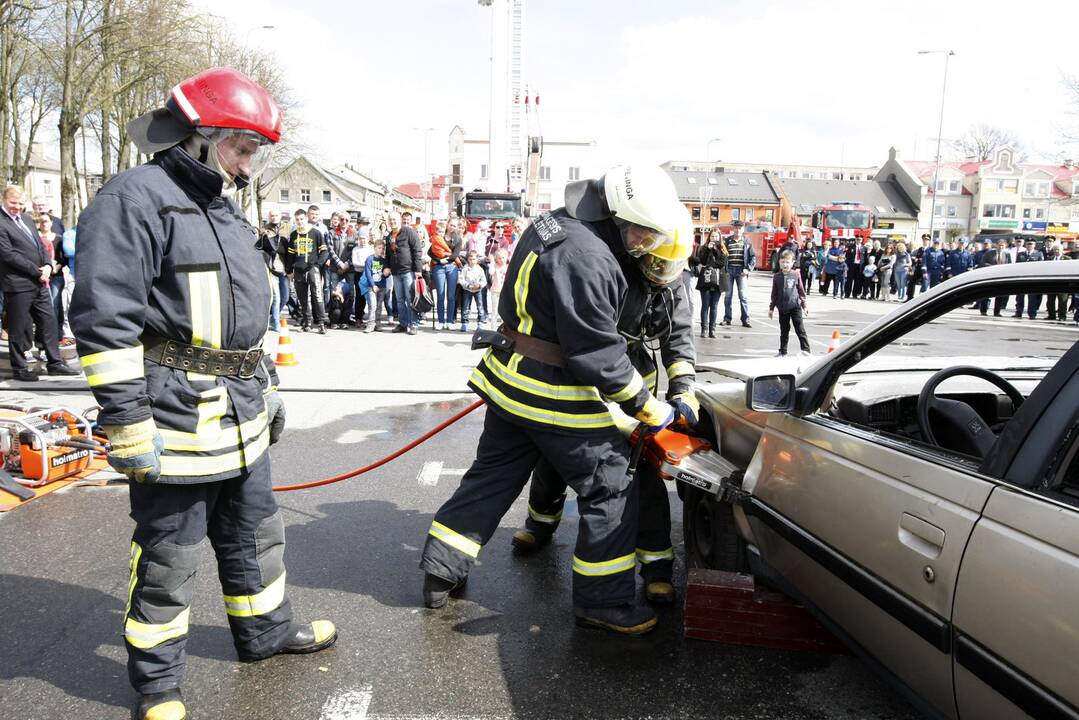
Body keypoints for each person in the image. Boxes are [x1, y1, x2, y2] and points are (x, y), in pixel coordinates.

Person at [69, 67, 335, 720]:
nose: (248, 165)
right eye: (241, 148)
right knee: (170, 558)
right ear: (197, 137)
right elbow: (105, 320)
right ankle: (158, 684)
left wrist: (264, 387)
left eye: (253, 152)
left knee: (256, 535)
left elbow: (242, 319)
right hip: (174, 417)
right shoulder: (132, 200)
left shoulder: (222, 209)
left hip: (240, 415)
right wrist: (126, 421)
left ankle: (267, 633)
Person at [419, 165, 689, 636]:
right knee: (609, 486)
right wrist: (649, 407)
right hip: (556, 393)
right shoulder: (589, 255)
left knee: (492, 477)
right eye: (642, 235)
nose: (643, 245)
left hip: (511, 385)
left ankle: (441, 572)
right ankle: (602, 601)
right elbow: (597, 355)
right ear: (621, 214)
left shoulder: (555, 222)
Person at [509, 220, 696, 607]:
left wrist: (683, 392)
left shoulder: (674, 281)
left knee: (642, 475)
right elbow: (591, 340)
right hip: (588, 382)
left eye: (670, 269)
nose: (661, 276)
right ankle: (539, 525)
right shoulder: (612, 266)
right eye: (656, 266)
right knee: (556, 458)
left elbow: (678, 340)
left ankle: (657, 567)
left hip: (636, 392)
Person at [0, 186, 78, 381]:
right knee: (19, 327)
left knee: (49, 321)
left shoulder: (26, 219)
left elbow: (39, 245)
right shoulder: (1, 222)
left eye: (20, 203)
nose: (17, 207)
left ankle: (54, 362)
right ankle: (20, 367)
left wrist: (47, 265)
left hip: (39, 282)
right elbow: (8, 254)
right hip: (18, 283)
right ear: (3, 199)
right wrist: (37, 271)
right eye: (13, 203)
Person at [286, 208, 328, 333]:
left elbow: (324, 252)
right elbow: (290, 255)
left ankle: (321, 323)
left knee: (317, 296)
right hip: (298, 270)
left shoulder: (316, 232)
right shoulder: (293, 235)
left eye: (302, 219)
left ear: (306, 219)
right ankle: (307, 322)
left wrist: (317, 265)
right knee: (302, 298)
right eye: (297, 219)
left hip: (312, 270)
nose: (300, 222)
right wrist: (289, 270)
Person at [384, 211, 423, 335]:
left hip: (408, 271)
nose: (392, 222)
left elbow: (417, 250)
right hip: (395, 272)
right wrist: (387, 267)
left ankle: (414, 324)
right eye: (390, 220)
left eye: (394, 219)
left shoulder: (409, 232)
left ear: (400, 220)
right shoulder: (389, 236)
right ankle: (403, 323)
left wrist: (418, 270)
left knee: (410, 299)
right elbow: (388, 254)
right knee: (400, 299)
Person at [769, 250, 810, 356]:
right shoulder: (777, 276)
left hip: (795, 307)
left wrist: (804, 305)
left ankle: (806, 350)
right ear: (779, 262)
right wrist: (771, 308)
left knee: (800, 329)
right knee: (784, 330)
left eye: (787, 262)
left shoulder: (796, 274)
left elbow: (801, 290)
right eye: (783, 262)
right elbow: (774, 294)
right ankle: (783, 351)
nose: (785, 264)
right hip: (782, 308)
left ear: (792, 263)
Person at [35, 212, 69, 341]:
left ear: (51, 223)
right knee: (43, 306)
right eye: (41, 221)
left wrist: (56, 267)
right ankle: (44, 335)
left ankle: (56, 334)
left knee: (55, 305)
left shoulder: (59, 239)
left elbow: (64, 259)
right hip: (40, 276)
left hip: (56, 277)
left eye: (46, 221)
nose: (44, 224)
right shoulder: (35, 238)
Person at [429, 218, 463, 330]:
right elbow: (430, 252)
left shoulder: (458, 239)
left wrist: (446, 260)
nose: (452, 227)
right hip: (438, 267)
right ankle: (440, 320)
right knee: (440, 295)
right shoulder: (440, 235)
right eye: (451, 224)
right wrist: (439, 261)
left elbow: (455, 255)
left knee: (451, 296)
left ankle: (449, 321)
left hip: (452, 267)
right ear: (447, 225)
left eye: (455, 225)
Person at [257, 210, 288, 331]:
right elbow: (260, 247)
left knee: (285, 297)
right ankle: (275, 322)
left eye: (276, 215)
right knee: (276, 297)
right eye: (272, 216)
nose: (274, 217)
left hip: (284, 268)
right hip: (271, 267)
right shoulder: (264, 229)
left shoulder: (287, 228)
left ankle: (271, 318)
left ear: (280, 216)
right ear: (268, 217)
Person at [722, 219, 755, 327]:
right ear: (733, 229)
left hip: (742, 272)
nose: (737, 230)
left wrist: (748, 269)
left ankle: (745, 319)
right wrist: (724, 269)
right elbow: (723, 256)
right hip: (729, 271)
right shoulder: (727, 241)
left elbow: (752, 257)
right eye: (736, 228)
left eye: (740, 228)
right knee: (728, 296)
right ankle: (727, 318)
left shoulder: (747, 242)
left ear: (743, 229)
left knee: (743, 296)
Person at [696, 228, 727, 338]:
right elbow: (702, 261)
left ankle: (712, 330)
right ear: (709, 237)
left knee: (714, 306)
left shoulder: (722, 249)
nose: (714, 238)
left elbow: (721, 263)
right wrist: (708, 250)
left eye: (716, 236)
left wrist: (715, 251)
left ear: (719, 237)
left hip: (718, 281)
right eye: (712, 236)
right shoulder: (704, 248)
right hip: (706, 280)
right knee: (705, 305)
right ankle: (703, 329)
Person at [362, 238, 389, 332]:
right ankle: (370, 324)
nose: (380, 250)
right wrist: (373, 285)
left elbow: (385, 273)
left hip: (382, 286)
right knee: (372, 305)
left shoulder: (384, 260)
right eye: (379, 248)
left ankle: (378, 323)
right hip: (372, 286)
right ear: (374, 248)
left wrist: (387, 273)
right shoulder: (369, 259)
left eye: (382, 248)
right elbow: (368, 274)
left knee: (379, 305)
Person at [1014, 240, 1045, 319]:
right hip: (1022, 278)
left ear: (1034, 245)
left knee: (1032, 298)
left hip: (1032, 279)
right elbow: (1017, 266)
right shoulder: (1021, 254)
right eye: (1028, 244)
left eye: (1031, 244)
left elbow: (1041, 267)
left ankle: (1032, 314)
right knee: (1020, 297)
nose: (1029, 245)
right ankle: (1018, 312)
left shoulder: (1038, 254)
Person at [458, 249, 487, 331]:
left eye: (474, 259)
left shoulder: (480, 269)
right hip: (468, 289)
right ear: (468, 259)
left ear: (477, 259)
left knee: (480, 306)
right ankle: (464, 323)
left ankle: (480, 323)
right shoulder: (465, 268)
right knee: (466, 306)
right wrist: (468, 285)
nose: (472, 261)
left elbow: (484, 280)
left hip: (478, 290)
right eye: (470, 259)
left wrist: (479, 285)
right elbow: (461, 279)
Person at [488, 247, 509, 328]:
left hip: (505, 291)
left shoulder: (508, 267)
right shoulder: (495, 266)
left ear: (506, 257)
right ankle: (493, 327)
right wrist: (492, 262)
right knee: (495, 310)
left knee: (505, 310)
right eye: (499, 258)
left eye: (503, 257)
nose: (501, 260)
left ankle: (505, 328)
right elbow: (491, 272)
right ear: (496, 259)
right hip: (495, 290)